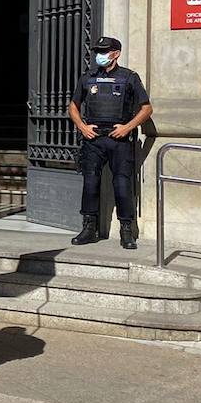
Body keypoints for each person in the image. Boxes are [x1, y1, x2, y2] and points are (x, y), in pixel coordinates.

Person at [69, 36, 152, 249]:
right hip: (94, 139)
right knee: (90, 183)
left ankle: (127, 230)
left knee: (122, 184)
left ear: (116, 53)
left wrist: (128, 127)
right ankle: (89, 227)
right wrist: (82, 126)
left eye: (105, 51)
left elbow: (146, 108)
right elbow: (73, 106)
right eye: (98, 51)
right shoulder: (88, 77)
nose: (100, 55)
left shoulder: (129, 78)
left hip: (120, 139)